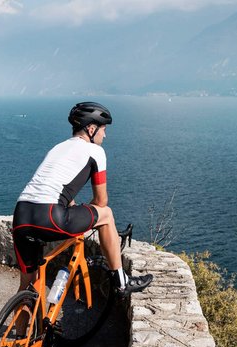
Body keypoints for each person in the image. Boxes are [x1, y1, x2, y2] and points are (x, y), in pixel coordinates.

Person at [11, 101, 153, 297]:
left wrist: (74, 208)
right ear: (91, 129)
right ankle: (122, 282)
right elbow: (101, 202)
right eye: (103, 129)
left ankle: (22, 324)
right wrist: (87, 217)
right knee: (106, 215)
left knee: (28, 285)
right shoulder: (95, 151)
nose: (105, 135)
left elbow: (57, 186)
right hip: (51, 216)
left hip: (21, 216)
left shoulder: (57, 148)